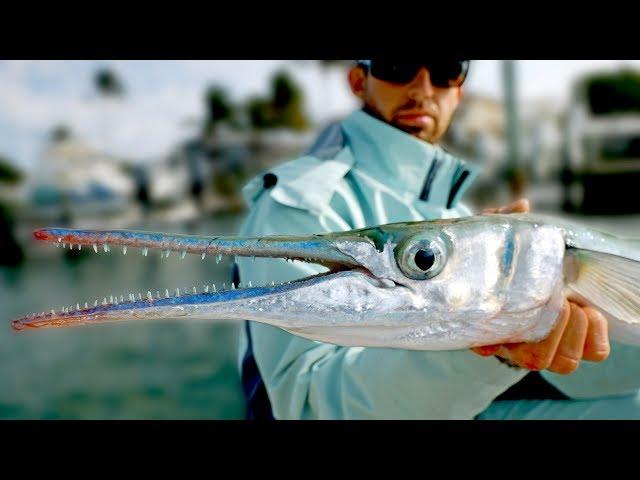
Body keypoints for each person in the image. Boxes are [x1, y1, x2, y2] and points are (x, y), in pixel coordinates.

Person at [235, 60, 640, 419]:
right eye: (398, 66)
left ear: (458, 90)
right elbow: (308, 407)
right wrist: (492, 345)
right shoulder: (296, 202)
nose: (423, 89)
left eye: (446, 69)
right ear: (359, 80)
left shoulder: (455, 214)